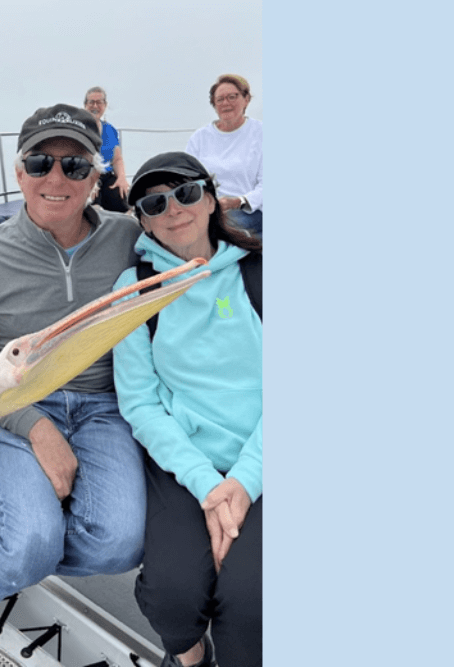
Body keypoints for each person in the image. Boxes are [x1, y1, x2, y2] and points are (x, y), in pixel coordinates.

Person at [0, 104, 145, 634]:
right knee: (33, 544)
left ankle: (1, 526)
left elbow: (188, 254)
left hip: (105, 406)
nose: (56, 178)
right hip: (20, 405)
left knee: (121, 543)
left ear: (96, 177)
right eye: (40, 164)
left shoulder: (127, 237)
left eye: (75, 166)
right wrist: (34, 428)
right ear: (19, 174)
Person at [112, 152, 262, 667]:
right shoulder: (134, 292)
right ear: (143, 220)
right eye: (155, 202)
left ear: (211, 196)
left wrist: (244, 483)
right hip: (186, 461)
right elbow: (139, 402)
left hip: (263, 454)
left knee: (250, 607)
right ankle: (191, 657)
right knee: (173, 597)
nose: (174, 209)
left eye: (187, 193)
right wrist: (208, 486)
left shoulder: (262, 275)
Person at [185, 74, 262, 237]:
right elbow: (187, 178)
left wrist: (238, 201)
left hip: (250, 210)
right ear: (214, 104)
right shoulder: (200, 137)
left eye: (232, 97)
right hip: (208, 209)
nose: (226, 103)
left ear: (246, 99)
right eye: (219, 99)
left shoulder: (261, 133)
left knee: (215, 226)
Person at [83, 86, 130, 213]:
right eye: (91, 102)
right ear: (85, 105)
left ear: (105, 105)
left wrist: (121, 178)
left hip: (106, 176)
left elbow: (117, 160)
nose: (95, 106)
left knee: (123, 199)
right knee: (94, 206)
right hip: (87, 175)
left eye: (99, 102)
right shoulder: (79, 130)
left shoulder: (110, 130)